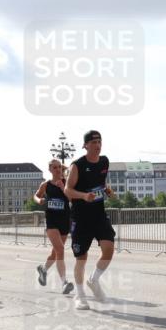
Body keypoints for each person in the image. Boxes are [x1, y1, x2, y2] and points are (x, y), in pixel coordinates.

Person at [64, 130, 115, 310]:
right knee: (81, 258)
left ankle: (93, 281)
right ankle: (80, 296)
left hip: (99, 214)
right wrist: (84, 196)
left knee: (109, 249)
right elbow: (68, 190)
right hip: (81, 217)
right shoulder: (77, 165)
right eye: (93, 142)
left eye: (100, 141)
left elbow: (101, 182)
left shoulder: (104, 161)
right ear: (85, 145)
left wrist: (106, 190)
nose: (97, 145)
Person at [34, 159, 74, 294]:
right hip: (51, 221)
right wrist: (39, 200)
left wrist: (63, 188)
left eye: (59, 167)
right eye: (54, 167)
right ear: (50, 169)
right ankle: (64, 283)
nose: (57, 169)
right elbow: (36, 195)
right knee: (61, 250)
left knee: (55, 252)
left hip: (65, 220)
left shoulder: (67, 183)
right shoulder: (46, 185)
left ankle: (43, 270)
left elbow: (72, 199)